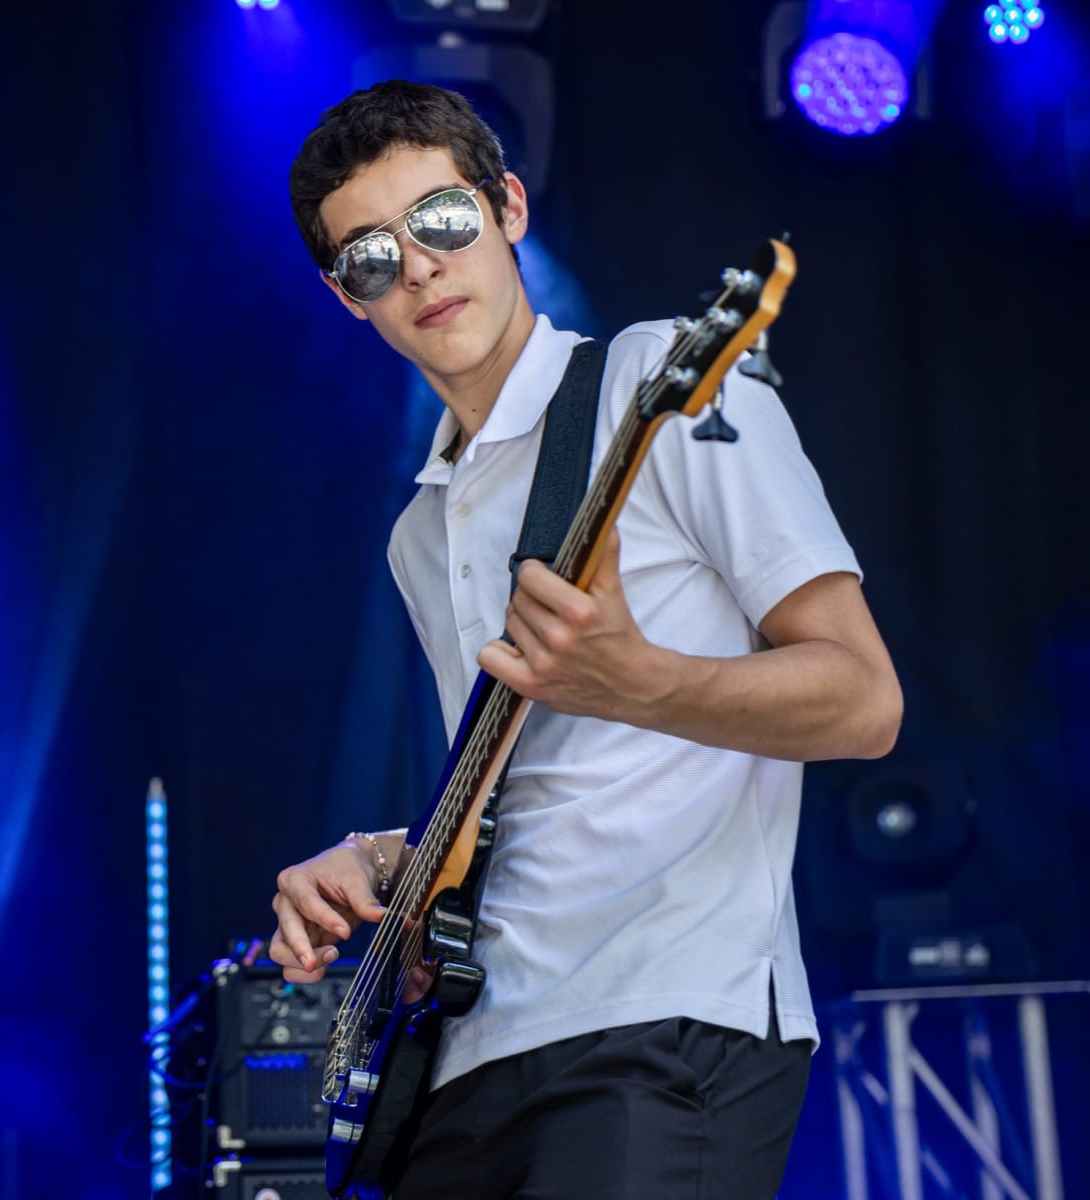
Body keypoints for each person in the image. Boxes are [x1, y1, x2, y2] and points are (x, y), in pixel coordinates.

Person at [271, 79, 902, 1200]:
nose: (414, 265)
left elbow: (864, 701)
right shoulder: (419, 529)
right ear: (343, 296)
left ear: (508, 208)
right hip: (465, 1055)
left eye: (443, 220)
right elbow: (528, 790)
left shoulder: (658, 379)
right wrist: (382, 861)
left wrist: (641, 680)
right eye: (370, 255)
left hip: (661, 1016)